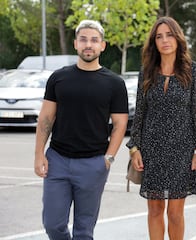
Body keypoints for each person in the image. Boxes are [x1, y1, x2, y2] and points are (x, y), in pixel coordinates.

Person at [34, 19, 128, 240]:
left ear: (102, 46)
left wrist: (109, 159)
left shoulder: (114, 83)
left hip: (93, 164)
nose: (89, 44)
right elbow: (46, 118)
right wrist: (39, 154)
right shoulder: (59, 78)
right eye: (84, 39)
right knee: (53, 225)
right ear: (76, 43)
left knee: (84, 231)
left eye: (94, 40)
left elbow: (120, 124)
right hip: (57, 160)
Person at [126, 16, 196, 240]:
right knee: (154, 210)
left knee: (175, 213)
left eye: (169, 35)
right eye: (159, 36)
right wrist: (135, 148)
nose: (165, 40)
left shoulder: (194, 71)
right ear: (154, 42)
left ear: (178, 37)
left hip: (181, 150)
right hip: (151, 150)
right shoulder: (147, 71)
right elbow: (140, 113)